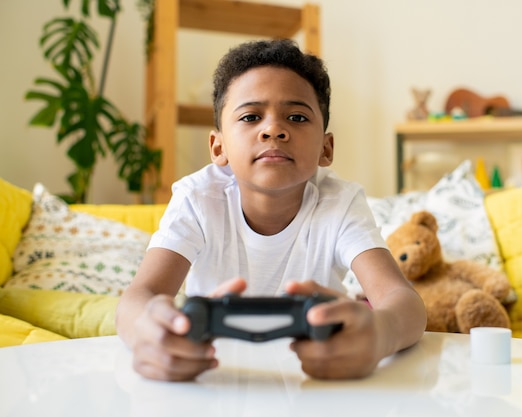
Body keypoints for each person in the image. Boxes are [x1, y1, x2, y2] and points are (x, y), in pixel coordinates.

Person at [116, 39, 427, 381]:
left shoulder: (340, 202)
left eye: (296, 117)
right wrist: (148, 331)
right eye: (251, 116)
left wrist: (381, 334)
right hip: (213, 374)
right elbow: (137, 298)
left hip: (315, 378)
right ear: (218, 147)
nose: (273, 129)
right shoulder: (197, 198)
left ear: (326, 148)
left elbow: (403, 301)